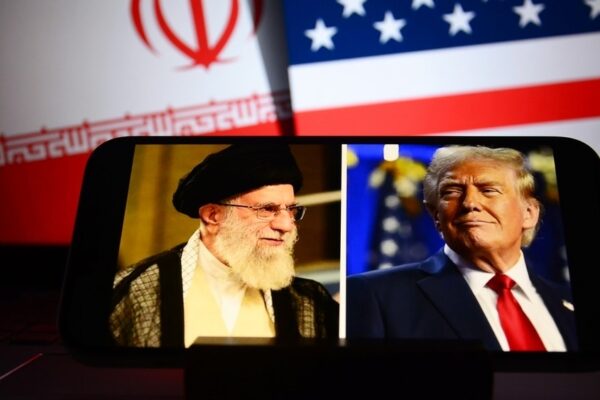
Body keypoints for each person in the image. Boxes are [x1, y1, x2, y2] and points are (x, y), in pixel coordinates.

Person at [346, 145, 577, 351]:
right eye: (452, 192)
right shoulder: (375, 295)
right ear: (436, 216)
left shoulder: (568, 303)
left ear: (529, 213)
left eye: (488, 190)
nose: (469, 203)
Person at [110, 144, 339, 347]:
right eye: (267, 209)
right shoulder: (133, 292)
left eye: (291, 210)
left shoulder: (310, 301)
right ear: (213, 216)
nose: (286, 225)